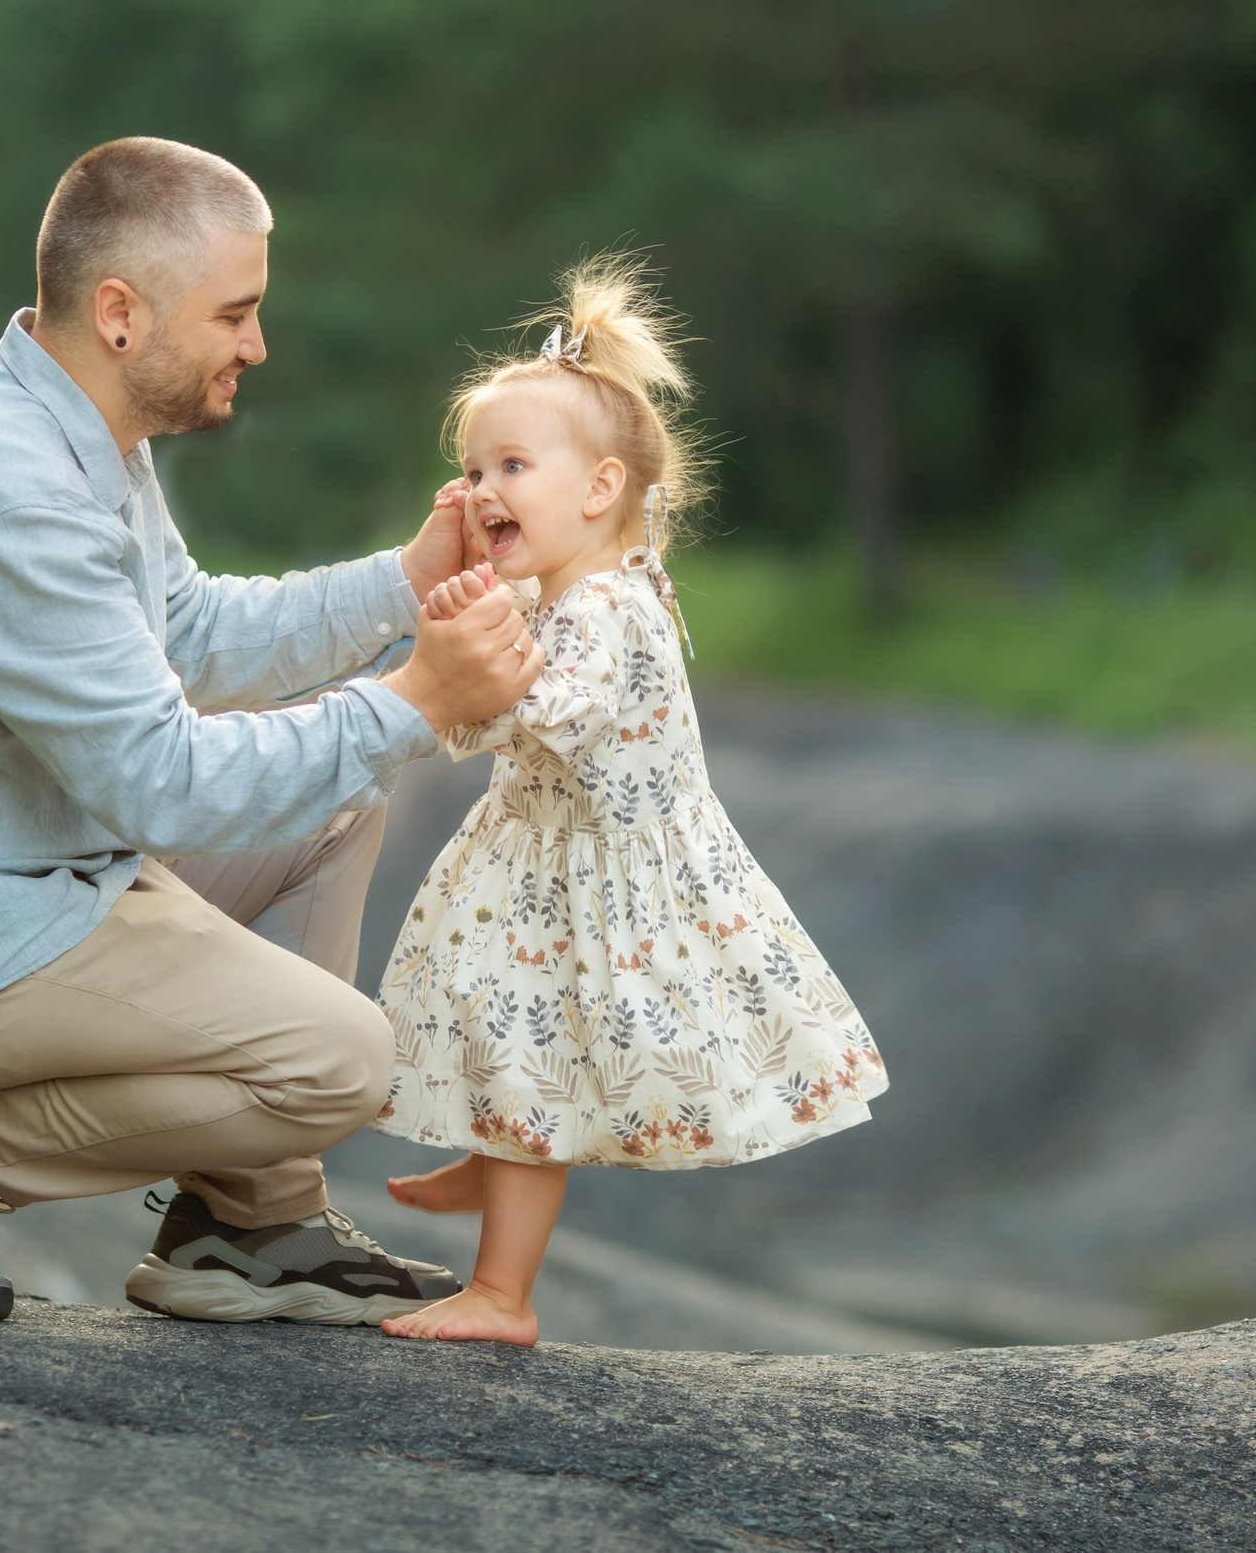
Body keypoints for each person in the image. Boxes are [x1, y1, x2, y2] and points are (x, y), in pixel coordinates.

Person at [0, 137, 544, 1322]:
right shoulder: (4, 477)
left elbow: (189, 635)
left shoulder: (81, 428)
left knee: (338, 797)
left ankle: (250, 1221)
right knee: (341, 1061)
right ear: (121, 313)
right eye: (236, 314)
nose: (257, 345)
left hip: (21, 880)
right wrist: (415, 702)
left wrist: (405, 579)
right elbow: (159, 784)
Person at [370, 256, 888, 1345]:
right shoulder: (558, 590)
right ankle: (496, 1151)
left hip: (601, 877)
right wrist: (478, 624)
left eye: (511, 464)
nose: (480, 489)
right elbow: (478, 722)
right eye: (472, 468)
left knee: (542, 1048)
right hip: (539, 858)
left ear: (600, 488)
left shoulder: (605, 607)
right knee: (489, 1013)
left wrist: (476, 649)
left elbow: (546, 708)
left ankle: (502, 1295)